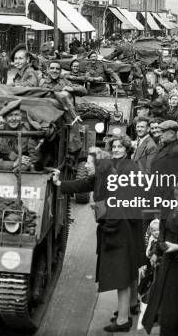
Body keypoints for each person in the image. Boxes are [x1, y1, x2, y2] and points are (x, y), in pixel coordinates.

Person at [52, 135, 144, 333]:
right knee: (124, 275)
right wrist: (60, 185)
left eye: (89, 162)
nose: (86, 165)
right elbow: (85, 183)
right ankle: (124, 313)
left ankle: (122, 320)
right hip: (119, 228)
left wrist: (108, 226)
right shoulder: (106, 171)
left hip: (119, 230)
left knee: (121, 276)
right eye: (114, 146)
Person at [142, 172, 178, 336]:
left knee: (175, 309)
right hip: (167, 261)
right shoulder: (169, 204)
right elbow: (162, 229)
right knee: (166, 306)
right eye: (177, 187)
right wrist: (157, 250)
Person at [0, 100, 38, 171]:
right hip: (2, 174)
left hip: (24, 173)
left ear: (20, 116)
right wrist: (14, 163)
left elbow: (33, 159)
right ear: (4, 118)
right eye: (10, 115)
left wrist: (24, 164)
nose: (13, 119)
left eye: (16, 115)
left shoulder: (28, 131)